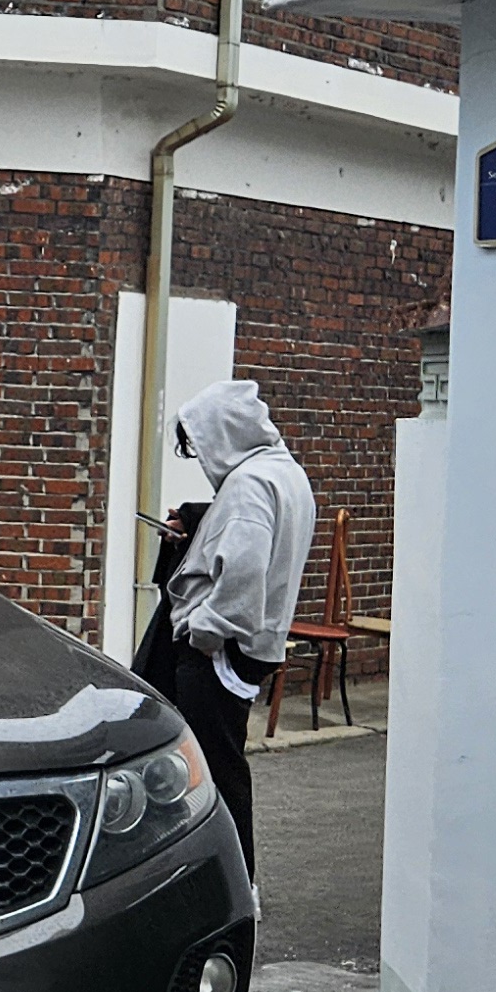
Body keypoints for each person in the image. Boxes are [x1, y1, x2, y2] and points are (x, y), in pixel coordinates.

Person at [132, 375, 315, 879]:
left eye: (198, 444)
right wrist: (200, 522)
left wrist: (204, 632)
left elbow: (243, 571)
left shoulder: (248, 486)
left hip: (219, 653)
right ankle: (233, 882)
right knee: (221, 768)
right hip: (249, 648)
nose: (199, 457)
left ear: (221, 433)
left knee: (211, 774)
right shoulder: (285, 473)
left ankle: (231, 885)